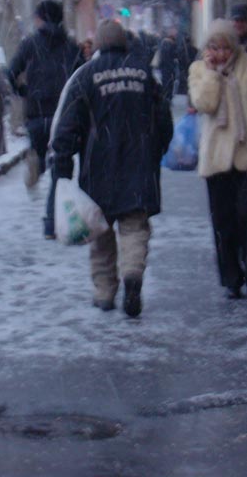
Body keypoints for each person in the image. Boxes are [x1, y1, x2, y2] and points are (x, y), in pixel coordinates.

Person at [51, 20, 173, 317]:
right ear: (125, 43)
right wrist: (155, 150)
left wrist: (63, 165)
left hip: (98, 167)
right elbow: (164, 121)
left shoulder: (86, 75)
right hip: (139, 165)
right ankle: (132, 274)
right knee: (134, 226)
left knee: (100, 231)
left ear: (100, 45)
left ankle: (105, 291)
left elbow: (67, 126)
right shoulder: (144, 73)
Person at [188, 19, 247, 300]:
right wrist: (212, 74)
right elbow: (204, 104)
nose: (219, 53)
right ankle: (232, 278)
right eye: (213, 47)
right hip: (217, 160)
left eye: (224, 47)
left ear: (234, 46)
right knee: (224, 224)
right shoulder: (198, 70)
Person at [7, 0, 82, 239]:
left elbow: (10, 72)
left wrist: (24, 92)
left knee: (40, 152)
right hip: (63, 117)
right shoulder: (71, 47)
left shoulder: (30, 44)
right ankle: (51, 225)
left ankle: (37, 163)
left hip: (36, 112)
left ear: (42, 19)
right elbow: (81, 78)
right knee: (61, 170)